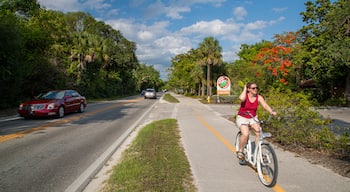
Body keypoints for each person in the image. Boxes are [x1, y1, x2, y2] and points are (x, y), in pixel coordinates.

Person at [236, 82, 277, 164]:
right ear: (248, 89)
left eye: (256, 88)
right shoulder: (245, 96)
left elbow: (265, 105)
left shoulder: (259, 97)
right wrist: (244, 88)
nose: (255, 90)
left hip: (253, 117)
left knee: (259, 133)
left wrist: (271, 111)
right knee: (245, 134)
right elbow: (241, 99)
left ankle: (259, 152)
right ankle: (240, 151)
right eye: (253, 88)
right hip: (242, 117)